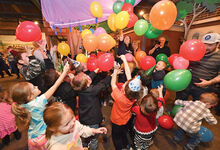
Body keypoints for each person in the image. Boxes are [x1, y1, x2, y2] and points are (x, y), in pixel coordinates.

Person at [10, 63, 69, 149]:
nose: (37, 86)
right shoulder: (38, 102)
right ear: (29, 97)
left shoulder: (21, 105)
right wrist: (64, 72)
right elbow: (55, 86)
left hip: (32, 137)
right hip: (43, 137)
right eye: (34, 87)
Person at [176, 32, 220, 115]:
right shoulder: (197, 49)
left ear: (218, 44)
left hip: (204, 89)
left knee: (198, 111)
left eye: (210, 45)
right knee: (180, 102)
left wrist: (210, 82)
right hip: (187, 83)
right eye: (204, 44)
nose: (206, 47)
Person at [70, 68, 111, 150]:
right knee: (94, 138)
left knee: (84, 134)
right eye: (87, 77)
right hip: (93, 120)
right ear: (87, 84)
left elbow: (87, 78)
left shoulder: (80, 88)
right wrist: (112, 76)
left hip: (83, 117)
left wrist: (95, 71)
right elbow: (102, 84)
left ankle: (85, 145)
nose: (89, 76)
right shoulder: (92, 90)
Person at [111, 55, 143, 150]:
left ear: (125, 90)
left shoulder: (120, 96)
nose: (125, 82)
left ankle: (120, 148)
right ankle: (126, 146)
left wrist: (115, 72)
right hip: (126, 119)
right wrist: (124, 60)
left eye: (125, 84)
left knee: (116, 136)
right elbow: (128, 74)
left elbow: (113, 83)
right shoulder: (134, 95)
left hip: (116, 120)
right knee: (123, 132)